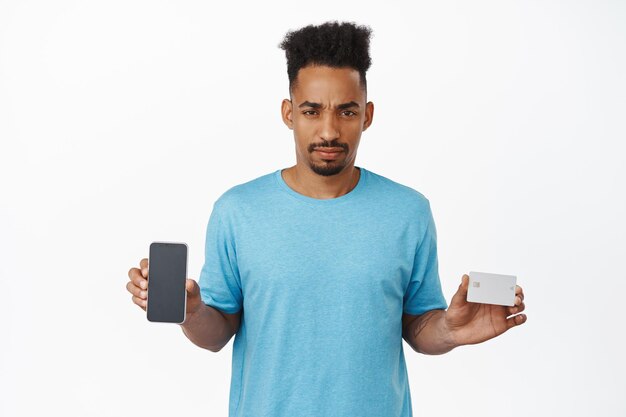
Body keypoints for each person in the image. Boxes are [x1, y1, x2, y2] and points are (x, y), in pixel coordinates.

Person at [126, 20, 527, 417]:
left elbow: (418, 326)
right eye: (312, 111)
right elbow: (217, 333)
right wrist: (191, 312)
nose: (329, 131)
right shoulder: (238, 211)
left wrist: (451, 330)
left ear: (367, 115)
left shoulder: (409, 212)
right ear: (289, 113)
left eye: (346, 112)